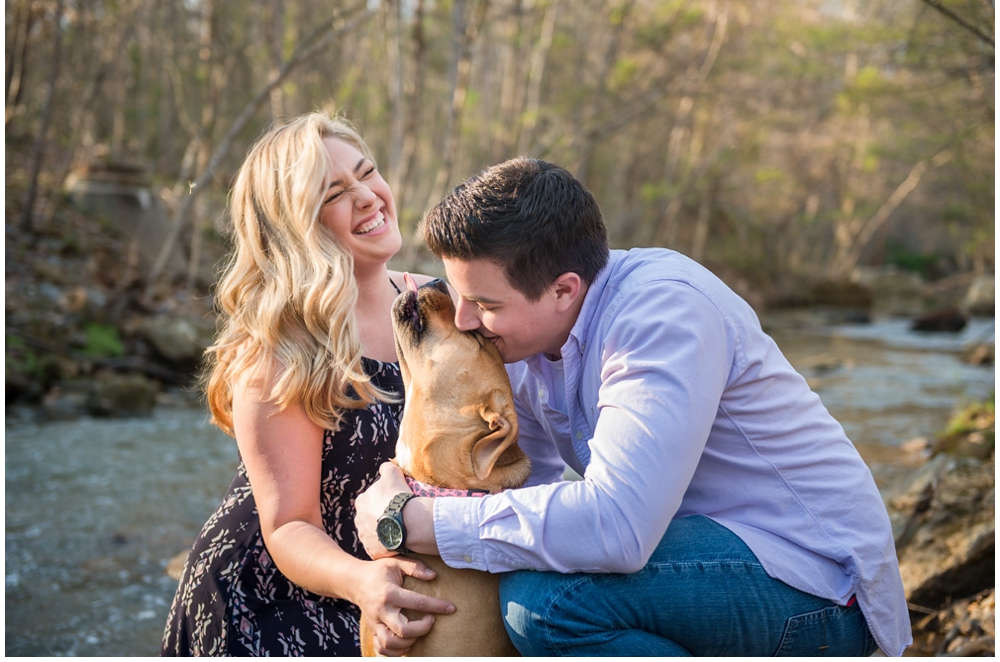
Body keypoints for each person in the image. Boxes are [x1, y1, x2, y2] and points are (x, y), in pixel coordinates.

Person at [354, 157, 912, 656]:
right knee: (530, 578)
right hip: (692, 560)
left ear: (564, 290)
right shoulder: (523, 337)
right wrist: (412, 595)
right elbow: (525, 493)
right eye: (459, 296)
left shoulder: (662, 314)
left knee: (548, 602)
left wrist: (413, 522)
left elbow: (615, 527)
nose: (468, 321)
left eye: (484, 304)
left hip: (817, 583)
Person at [161, 113, 455, 656]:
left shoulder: (438, 302)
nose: (368, 196)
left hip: (385, 586)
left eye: (368, 174)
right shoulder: (279, 345)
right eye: (335, 193)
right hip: (266, 602)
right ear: (295, 226)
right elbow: (290, 525)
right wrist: (365, 583)